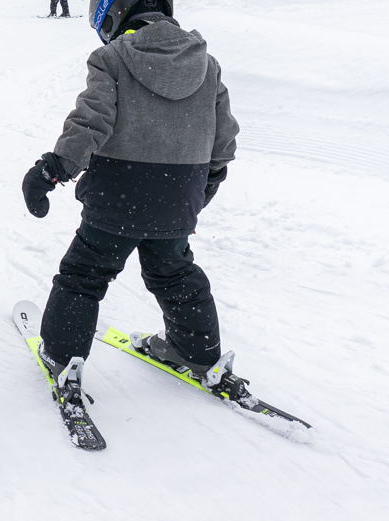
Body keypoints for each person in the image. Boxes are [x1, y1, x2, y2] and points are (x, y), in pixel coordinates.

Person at [21, 0, 239, 418]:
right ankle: (194, 352)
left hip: (118, 195)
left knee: (85, 274)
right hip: (180, 195)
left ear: (112, 13)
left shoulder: (113, 57)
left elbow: (91, 122)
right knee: (174, 272)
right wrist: (201, 186)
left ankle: (62, 358)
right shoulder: (206, 65)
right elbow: (223, 140)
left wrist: (52, 170)